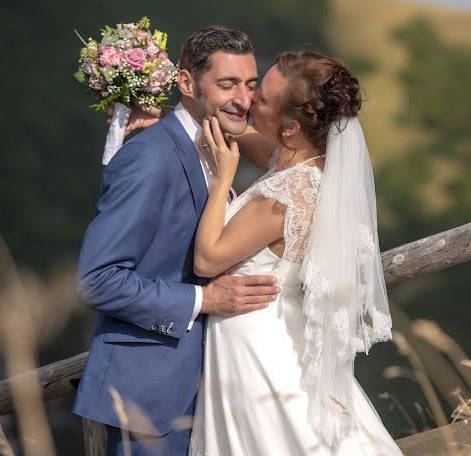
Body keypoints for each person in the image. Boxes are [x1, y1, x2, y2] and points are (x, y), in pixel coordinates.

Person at [73, 26, 281, 456]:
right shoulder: (150, 157)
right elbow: (98, 279)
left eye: (250, 85)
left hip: (212, 388)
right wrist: (204, 301)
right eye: (227, 85)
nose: (243, 99)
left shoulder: (216, 144)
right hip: (153, 395)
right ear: (186, 83)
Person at [187, 50, 400, 455]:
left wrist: (223, 181)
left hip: (254, 345)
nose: (249, 101)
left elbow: (207, 260)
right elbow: (237, 135)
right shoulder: (310, 169)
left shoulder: (283, 196)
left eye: (261, 99)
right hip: (281, 329)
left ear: (290, 128)